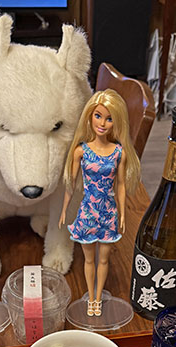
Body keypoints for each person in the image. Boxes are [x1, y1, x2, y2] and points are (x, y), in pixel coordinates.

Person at [59, 89, 140, 317]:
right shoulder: (81, 151)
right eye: (98, 116)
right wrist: (65, 210)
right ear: (89, 116)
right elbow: (70, 184)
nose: (102, 123)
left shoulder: (118, 153)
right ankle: (90, 297)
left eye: (109, 118)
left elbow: (121, 185)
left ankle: (97, 297)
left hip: (108, 212)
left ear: (117, 121)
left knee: (103, 260)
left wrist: (122, 213)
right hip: (87, 212)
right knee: (88, 259)